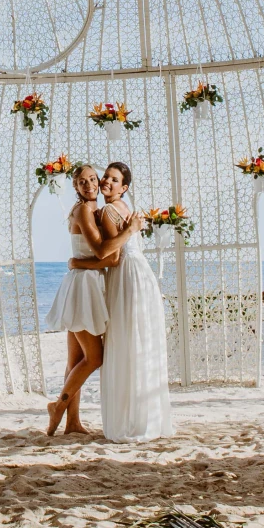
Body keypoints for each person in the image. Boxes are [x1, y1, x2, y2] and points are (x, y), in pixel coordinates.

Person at [43, 165, 139, 435]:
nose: (89, 185)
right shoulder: (85, 210)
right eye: (82, 181)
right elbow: (105, 255)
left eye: (92, 179)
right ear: (75, 186)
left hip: (83, 284)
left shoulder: (94, 210)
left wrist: (77, 261)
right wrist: (129, 232)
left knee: (75, 361)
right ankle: (58, 406)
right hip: (83, 287)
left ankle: (72, 422)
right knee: (94, 358)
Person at [93, 161, 174, 441]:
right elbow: (111, 249)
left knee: (134, 341)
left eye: (114, 180)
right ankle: (140, 417)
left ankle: (139, 417)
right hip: (133, 275)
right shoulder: (112, 211)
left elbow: (109, 252)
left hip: (132, 277)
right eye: (105, 177)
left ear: (124, 188)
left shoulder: (110, 210)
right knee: (134, 340)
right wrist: (131, 230)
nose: (106, 182)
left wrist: (130, 230)